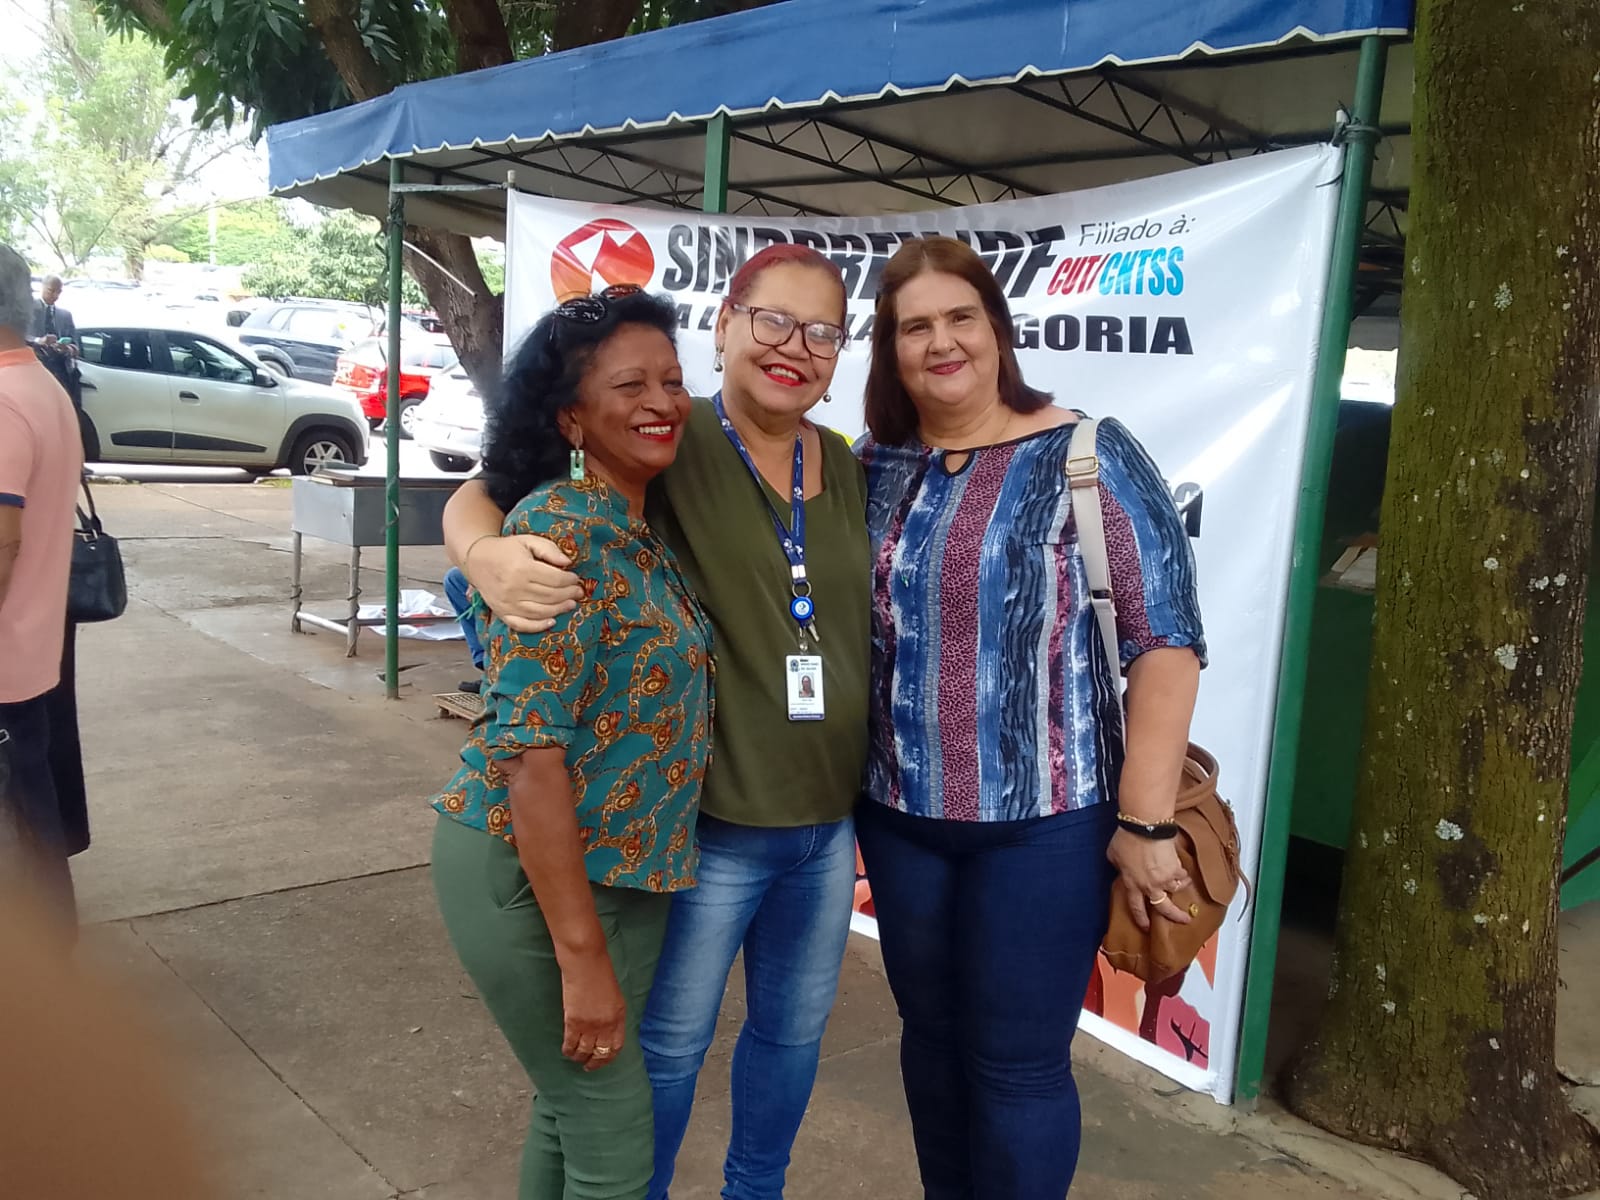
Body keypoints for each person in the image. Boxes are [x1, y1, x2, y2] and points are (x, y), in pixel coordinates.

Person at [442, 245, 870, 1200]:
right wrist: (482, 555)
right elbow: (486, 492)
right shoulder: (675, 436)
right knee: (655, 1057)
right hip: (713, 822)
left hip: (824, 822)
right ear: (727, 325)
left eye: (822, 331)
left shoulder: (841, 462)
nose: (795, 347)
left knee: (790, 1038)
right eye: (773, 320)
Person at [853, 235, 1206, 1199]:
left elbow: (1166, 645)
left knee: (1016, 1068)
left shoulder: (1087, 454)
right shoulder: (875, 463)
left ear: (997, 330)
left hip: (1043, 826)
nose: (941, 342)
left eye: (959, 318)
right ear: (890, 350)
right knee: (930, 1045)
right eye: (914, 327)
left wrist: (1145, 824)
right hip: (899, 818)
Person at [429, 288, 715, 1200]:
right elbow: (529, 756)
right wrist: (581, 954)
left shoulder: (632, 523)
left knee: (567, 1113)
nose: (662, 402)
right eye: (630, 385)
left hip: (622, 871)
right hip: (530, 872)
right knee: (614, 1139)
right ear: (571, 419)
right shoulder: (555, 535)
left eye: (672, 380)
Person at [0, 244, 85, 937]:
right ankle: (53, 948)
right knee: (31, 811)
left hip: (6, 654)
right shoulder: (40, 383)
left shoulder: (3, 401)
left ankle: (42, 963)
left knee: (21, 825)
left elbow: (2, 543)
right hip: (30, 648)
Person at [30, 276, 77, 355]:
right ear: (42, 287)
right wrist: (38, 340)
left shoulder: (65, 315)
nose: (56, 296)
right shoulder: (27, 309)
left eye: (59, 292)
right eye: (51, 291)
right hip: (34, 358)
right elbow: (16, 336)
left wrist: (67, 348)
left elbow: (75, 346)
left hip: (59, 360)